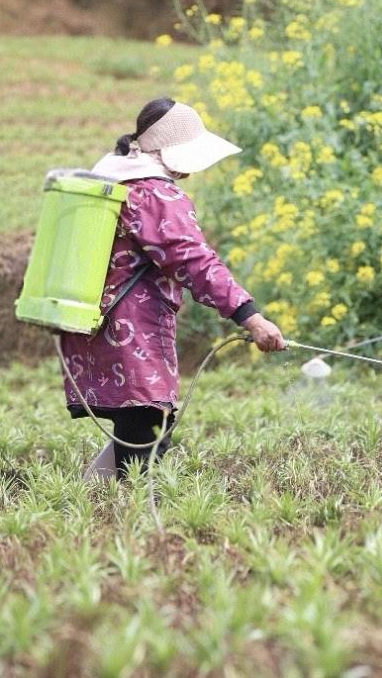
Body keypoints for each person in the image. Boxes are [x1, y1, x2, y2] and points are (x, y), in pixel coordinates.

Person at [60, 97, 286, 480]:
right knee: (148, 428)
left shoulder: (117, 182)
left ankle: (89, 499)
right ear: (168, 151)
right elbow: (194, 262)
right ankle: (113, 513)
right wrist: (251, 317)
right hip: (130, 331)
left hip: (95, 326)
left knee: (142, 428)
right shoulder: (155, 194)